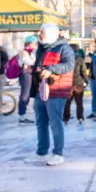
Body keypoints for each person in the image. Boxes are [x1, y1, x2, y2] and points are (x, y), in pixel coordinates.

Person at [27, 24, 74, 166]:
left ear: (51, 34)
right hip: (41, 90)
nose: (39, 34)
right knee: (40, 123)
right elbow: (40, 66)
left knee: (55, 123)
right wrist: (33, 69)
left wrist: (50, 69)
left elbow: (69, 65)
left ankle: (58, 153)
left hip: (57, 91)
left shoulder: (64, 47)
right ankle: (42, 152)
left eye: (42, 32)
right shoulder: (43, 48)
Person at [63, 42, 88, 127]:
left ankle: (65, 118)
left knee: (67, 102)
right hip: (78, 83)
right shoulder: (80, 59)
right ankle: (80, 117)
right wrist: (86, 80)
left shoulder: (65, 59)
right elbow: (84, 71)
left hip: (67, 83)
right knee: (79, 102)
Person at [13, 36, 37, 123]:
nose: (35, 45)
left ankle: (22, 116)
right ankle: (22, 117)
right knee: (25, 95)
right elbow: (30, 62)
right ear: (29, 43)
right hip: (25, 75)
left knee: (27, 95)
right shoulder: (24, 52)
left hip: (28, 75)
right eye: (34, 43)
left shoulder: (29, 52)